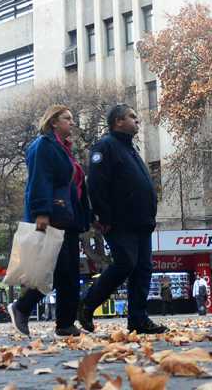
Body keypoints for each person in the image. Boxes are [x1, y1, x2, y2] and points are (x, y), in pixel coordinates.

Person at [78, 104, 167, 335]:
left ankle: (138, 319)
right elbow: (96, 184)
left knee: (143, 269)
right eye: (132, 117)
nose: (137, 120)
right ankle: (87, 304)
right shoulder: (105, 146)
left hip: (141, 222)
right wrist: (103, 215)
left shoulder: (131, 148)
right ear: (118, 121)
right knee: (125, 263)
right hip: (119, 221)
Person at [7, 105, 92, 337]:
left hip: (69, 218)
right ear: (54, 122)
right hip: (54, 216)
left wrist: (87, 216)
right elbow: (39, 179)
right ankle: (22, 307)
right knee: (56, 270)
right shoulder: (43, 146)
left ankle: (65, 324)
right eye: (67, 118)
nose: (72, 122)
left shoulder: (65, 149)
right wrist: (41, 212)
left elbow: (76, 187)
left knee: (70, 272)